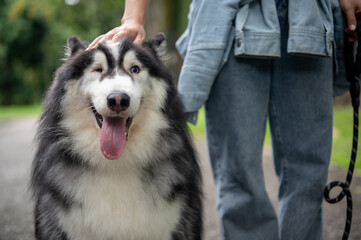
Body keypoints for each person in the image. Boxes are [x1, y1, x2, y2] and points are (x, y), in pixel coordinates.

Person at [88, 0, 361, 239]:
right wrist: (133, 17)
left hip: (310, 17)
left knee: (309, 172)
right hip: (231, 21)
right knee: (238, 171)